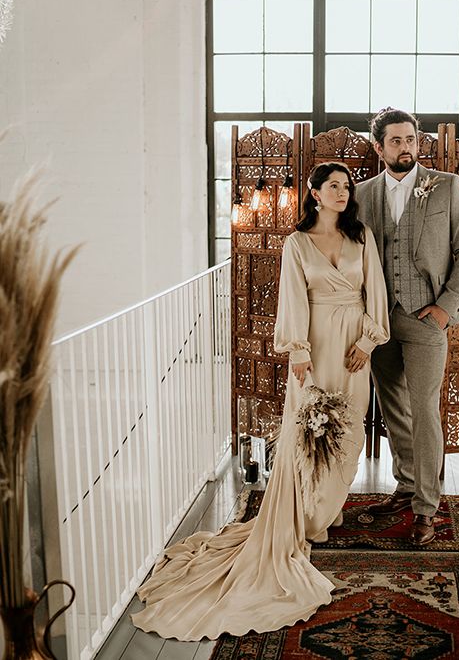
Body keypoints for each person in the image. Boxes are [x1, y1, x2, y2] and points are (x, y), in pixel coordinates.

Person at [131, 162, 389, 640]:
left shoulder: (362, 237)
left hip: (355, 343)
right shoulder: (297, 243)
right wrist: (297, 352)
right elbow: (291, 299)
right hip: (313, 345)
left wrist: (369, 342)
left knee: (347, 434)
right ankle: (305, 518)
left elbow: (377, 291)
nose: (342, 193)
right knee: (310, 431)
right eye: (333, 186)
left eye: (346, 187)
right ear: (313, 194)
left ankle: (324, 511)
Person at [356, 108, 459, 546]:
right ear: (379, 147)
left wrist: (446, 308)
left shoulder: (445, 186)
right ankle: (405, 486)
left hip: (427, 318)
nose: (405, 147)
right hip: (379, 319)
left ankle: (426, 507)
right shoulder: (362, 193)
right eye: (395, 141)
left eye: (410, 139)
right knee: (394, 409)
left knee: (424, 409)